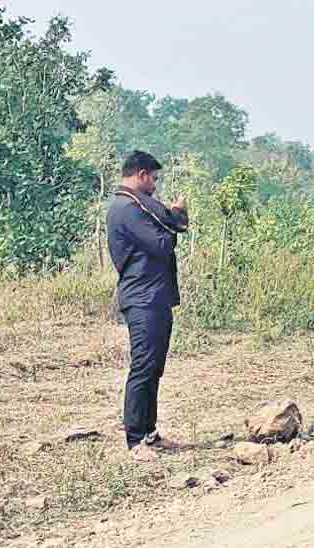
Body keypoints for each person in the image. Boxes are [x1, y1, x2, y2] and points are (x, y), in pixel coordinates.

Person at [107, 151, 189, 462]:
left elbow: (165, 232)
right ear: (141, 175)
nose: (155, 186)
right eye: (153, 179)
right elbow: (163, 244)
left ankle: (150, 433)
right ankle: (135, 440)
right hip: (141, 298)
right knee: (142, 368)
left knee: (154, 367)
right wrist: (175, 215)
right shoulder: (128, 209)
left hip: (154, 297)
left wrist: (170, 216)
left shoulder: (138, 208)